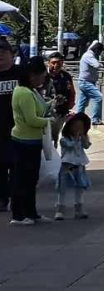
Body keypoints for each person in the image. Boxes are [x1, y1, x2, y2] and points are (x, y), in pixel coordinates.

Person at [8, 60, 50, 226]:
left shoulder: (31, 91)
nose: (43, 80)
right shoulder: (23, 93)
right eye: (42, 76)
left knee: (31, 179)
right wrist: (48, 121)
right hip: (23, 142)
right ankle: (18, 214)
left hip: (33, 141)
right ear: (32, 75)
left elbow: (40, 109)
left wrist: (51, 105)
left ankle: (31, 212)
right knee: (22, 179)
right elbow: (31, 119)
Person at [55, 112, 92, 220]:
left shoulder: (82, 138)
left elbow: (86, 146)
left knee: (80, 186)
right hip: (68, 165)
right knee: (63, 187)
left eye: (80, 127)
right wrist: (76, 138)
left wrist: (84, 137)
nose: (77, 129)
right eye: (75, 126)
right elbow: (69, 145)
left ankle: (79, 208)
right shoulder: (64, 139)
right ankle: (60, 209)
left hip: (79, 164)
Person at [42, 52, 76, 145]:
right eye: (53, 63)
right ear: (48, 63)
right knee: (45, 137)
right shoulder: (43, 76)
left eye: (59, 63)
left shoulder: (66, 76)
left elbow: (72, 92)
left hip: (61, 112)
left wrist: (69, 104)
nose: (56, 65)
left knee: (54, 136)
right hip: (45, 112)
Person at [0, 37, 16, 214]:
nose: (0, 56)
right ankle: (2, 198)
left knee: (17, 166)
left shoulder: (20, 75)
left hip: (18, 130)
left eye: (3, 53)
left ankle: (15, 197)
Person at [76, 41, 104, 125]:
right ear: (96, 50)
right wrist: (102, 65)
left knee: (82, 101)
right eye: (100, 51)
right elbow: (97, 65)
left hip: (86, 82)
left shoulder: (88, 55)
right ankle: (95, 119)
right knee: (98, 97)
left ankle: (78, 118)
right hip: (86, 82)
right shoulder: (89, 56)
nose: (100, 54)